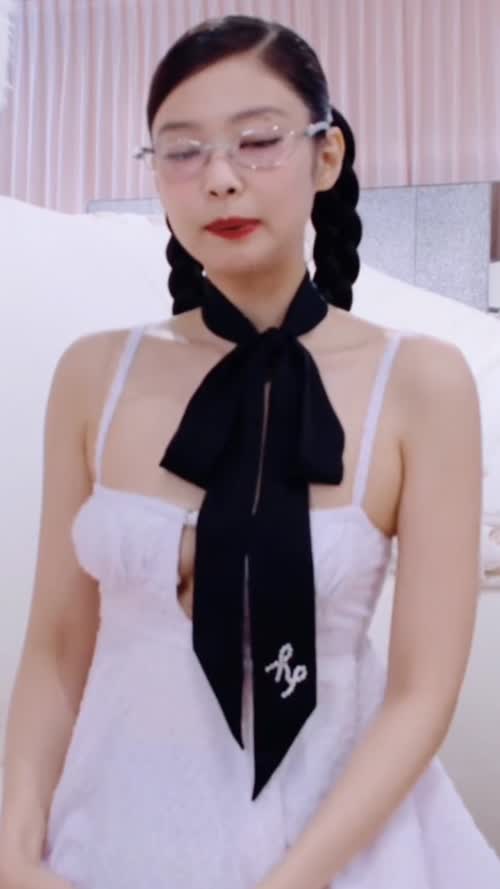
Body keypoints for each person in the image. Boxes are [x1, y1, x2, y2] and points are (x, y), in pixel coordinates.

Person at [1, 13, 499, 889]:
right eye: (182, 150)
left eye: (258, 141)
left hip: (344, 847)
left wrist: (290, 881)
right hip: (114, 835)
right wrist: (13, 849)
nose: (220, 178)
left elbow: (423, 692)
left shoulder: (423, 384)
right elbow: (55, 643)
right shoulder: (94, 375)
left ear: (326, 155)